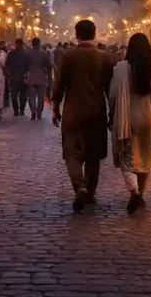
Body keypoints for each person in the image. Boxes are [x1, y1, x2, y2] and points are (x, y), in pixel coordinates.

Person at [51, 20, 113, 213]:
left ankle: (80, 186)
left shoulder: (68, 56)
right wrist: (113, 112)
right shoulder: (105, 57)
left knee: (72, 152)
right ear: (94, 34)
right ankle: (91, 192)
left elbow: (59, 83)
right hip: (96, 111)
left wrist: (55, 107)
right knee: (94, 154)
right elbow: (110, 88)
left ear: (76, 34)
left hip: (73, 111)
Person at [109, 33, 151, 214]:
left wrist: (112, 114)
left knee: (127, 158)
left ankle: (134, 192)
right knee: (145, 157)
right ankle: (140, 194)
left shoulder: (121, 68)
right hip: (149, 118)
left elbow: (112, 95)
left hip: (127, 118)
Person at [26, 37, 54, 120]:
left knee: (31, 96)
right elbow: (48, 65)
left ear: (32, 44)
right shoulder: (44, 54)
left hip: (31, 77)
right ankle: (39, 112)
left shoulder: (28, 53)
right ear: (39, 44)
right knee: (41, 97)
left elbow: (26, 65)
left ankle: (33, 111)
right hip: (42, 77)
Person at [6, 39, 30, 116]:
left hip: (13, 77)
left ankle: (16, 110)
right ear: (22, 44)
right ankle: (22, 109)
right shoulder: (26, 54)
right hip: (23, 77)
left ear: (16, 44)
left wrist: (8, 74)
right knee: (23, 94)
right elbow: (28, 66)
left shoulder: (11, 54)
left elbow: (7, 65)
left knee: (14, 94)